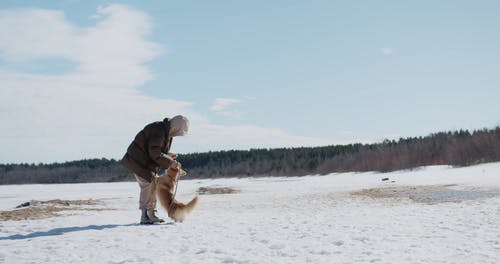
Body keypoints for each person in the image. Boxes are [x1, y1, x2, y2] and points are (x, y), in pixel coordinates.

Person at [121, 115, 189, 224]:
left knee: (153, 184)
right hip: (138, 162)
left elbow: (155, 150)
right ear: (176, 128)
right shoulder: (158, 131)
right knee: (148, 185)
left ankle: (151, 214)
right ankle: (144, 216)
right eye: (179, 132)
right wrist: (170, 162)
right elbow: (154, 153)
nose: (177, 135)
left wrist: (168, 156)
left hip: (145, 163)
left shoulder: (166, 132)